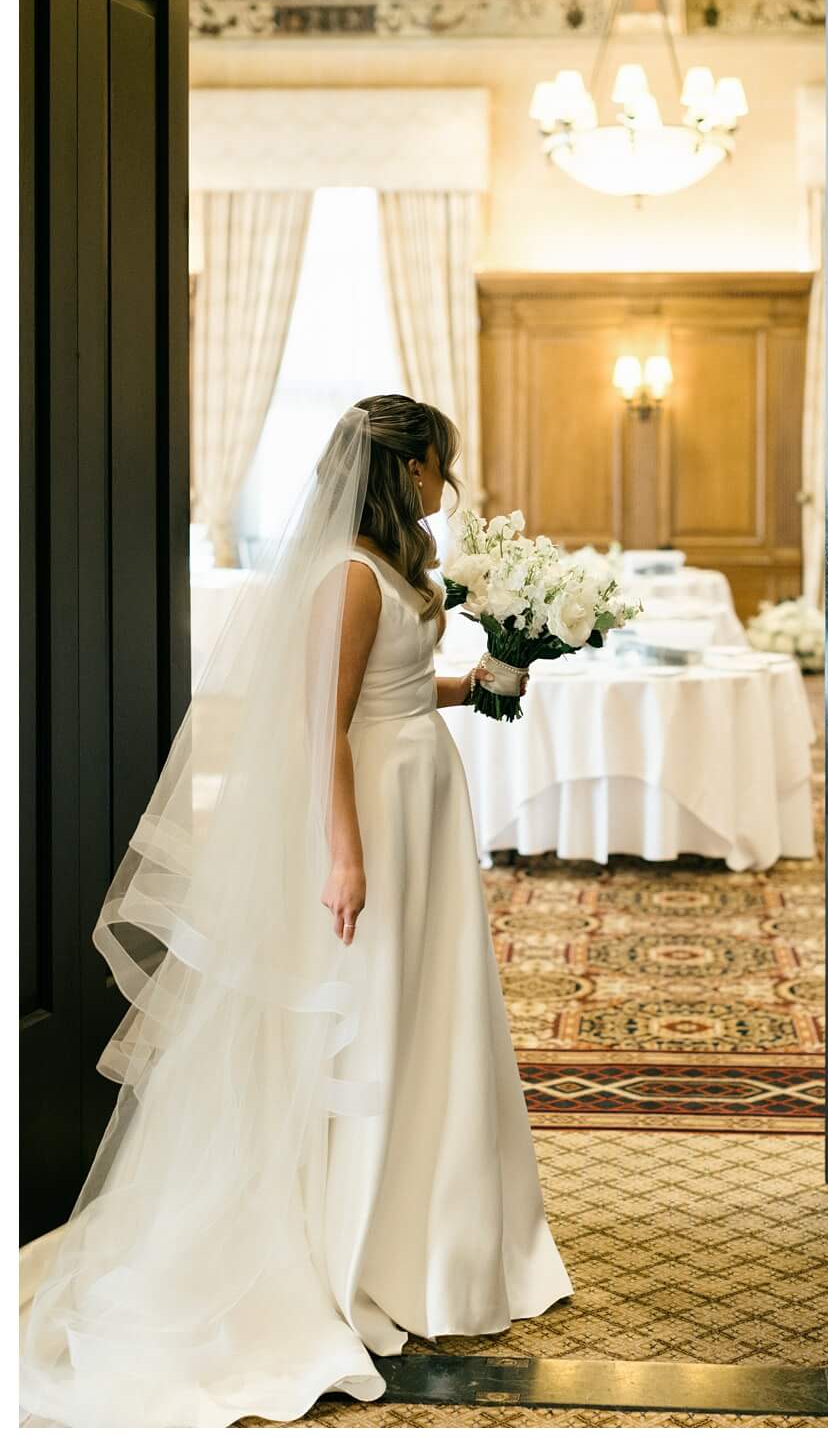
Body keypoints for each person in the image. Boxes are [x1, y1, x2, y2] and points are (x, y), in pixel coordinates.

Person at [20, 396, 571, 1427]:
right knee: (362, 1012)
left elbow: (393, 695)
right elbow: (323, 724)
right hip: (372, 819)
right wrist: (344, 855)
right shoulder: (349, 578)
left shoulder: (395, 570)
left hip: (421, 801)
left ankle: (430, 1228)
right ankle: (354, 1242)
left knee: (425, 1011)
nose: (444, 487)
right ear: (405, 472)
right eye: (437, 468)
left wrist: (479, 681)